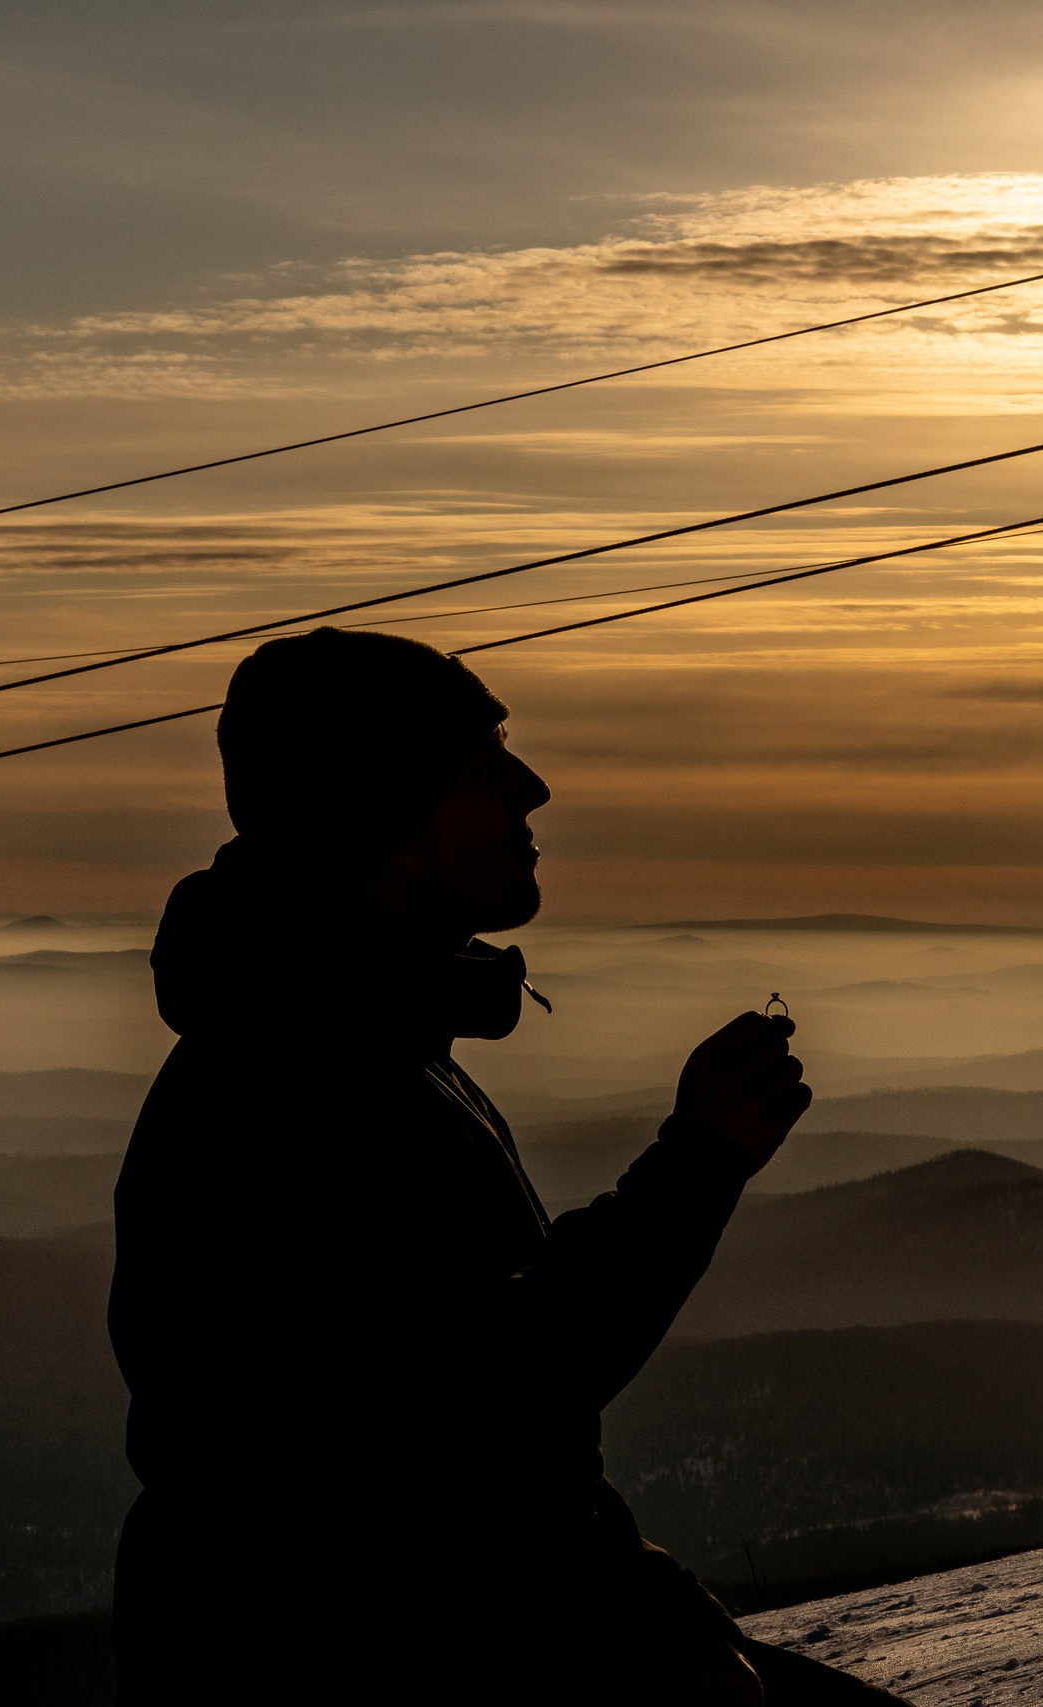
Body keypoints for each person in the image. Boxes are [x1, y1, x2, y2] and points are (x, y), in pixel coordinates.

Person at [109, 628, 906, 1704]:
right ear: (380, 813)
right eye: (485, 767)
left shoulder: (353, 1042)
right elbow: (493, 1402)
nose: (533, 788)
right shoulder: (299, 1083)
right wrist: (697, 1161)